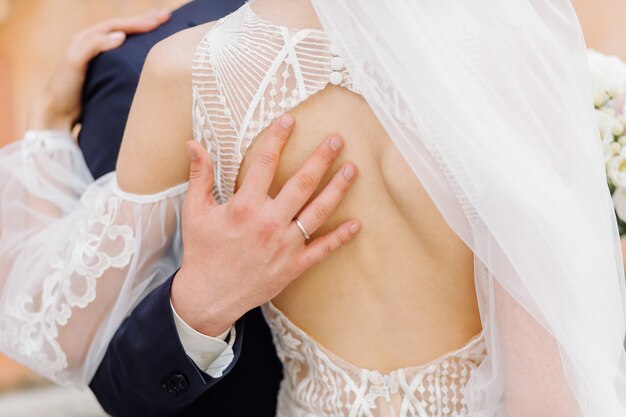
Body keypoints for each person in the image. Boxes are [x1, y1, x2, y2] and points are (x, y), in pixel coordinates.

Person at [3, 0, 626, 416]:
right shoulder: (512, 50)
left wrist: (45, 129)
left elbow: (58, 326)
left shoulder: (183, 71)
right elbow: (549, 391)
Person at [0, 2, 362, 416]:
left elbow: (69, 341)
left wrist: (47, 122)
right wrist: (201, 309)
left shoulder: (154, 65)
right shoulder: (442, 51)